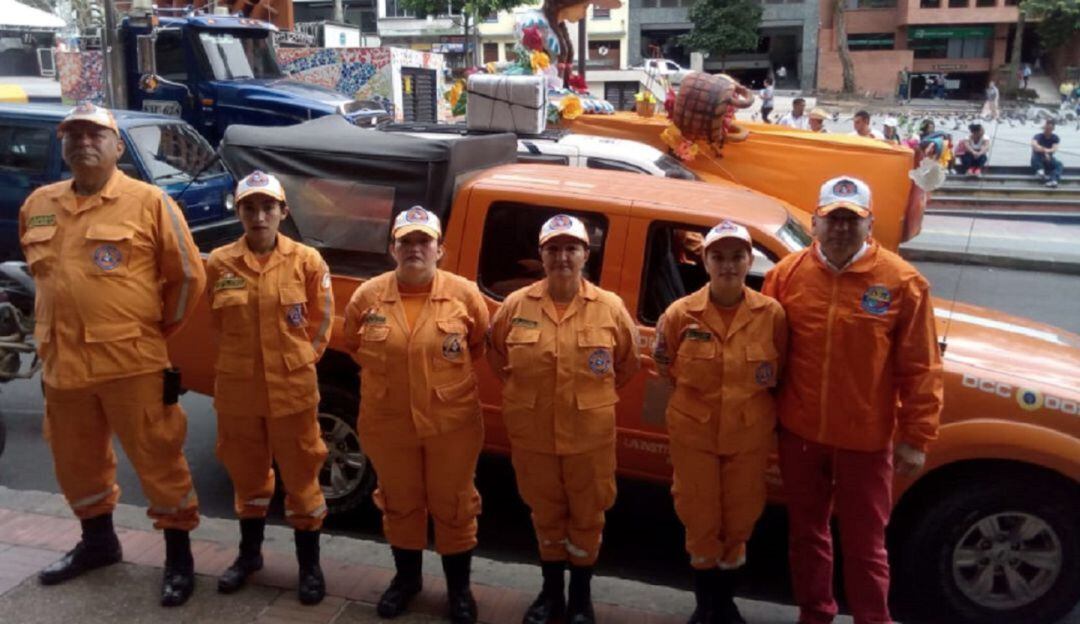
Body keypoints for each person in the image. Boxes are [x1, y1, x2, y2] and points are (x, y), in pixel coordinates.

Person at [18, 103, 205, 606]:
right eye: (74, 135)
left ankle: (180, 558)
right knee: (75, 462)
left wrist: (153, 329)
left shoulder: (150, 202)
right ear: (63, 145)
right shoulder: (38, 203)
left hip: (133, 362)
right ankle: (98, 543)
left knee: (159, 458)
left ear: (118, 147)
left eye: (96, 135)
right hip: (63, 364)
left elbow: (187, 277)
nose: (84, 143)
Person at [762, 176, 944, 624]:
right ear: (815, 222)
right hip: (800, 434)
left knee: (866, 545)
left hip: (866, 441)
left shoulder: (902, 283)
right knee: (807, 536)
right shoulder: (785, 276)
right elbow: (765, 354)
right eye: (832, 219)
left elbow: (921, 367)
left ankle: (872, 618)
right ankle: (815, 614)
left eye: (852, 220)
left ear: (871, 224)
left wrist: (917, 437)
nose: (841, 228)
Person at [487, 214, 641, 624]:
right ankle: (551, 594)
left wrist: (587, 399)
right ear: (540, 255)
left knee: (588, 516)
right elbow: (498, 358)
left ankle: (581, 600)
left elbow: (626, 364)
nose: (562, 257)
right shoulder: (516, 307)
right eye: (553, 249)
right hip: (533, 436)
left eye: (571, 248)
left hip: (588, 438)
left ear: (585, 255)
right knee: (546, 515)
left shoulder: (609, 308)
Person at [343, 206, 489, 623]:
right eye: (405, 241)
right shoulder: (367, 297)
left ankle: (459, 591)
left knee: (454, 504)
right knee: (400, 502)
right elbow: (354, 345)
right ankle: (407, 582)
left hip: (452, 425)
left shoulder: (463, 295)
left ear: (440, 249)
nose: (414, 249)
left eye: (423, 241)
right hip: (388, 424)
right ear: (392, 248)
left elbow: (477, 345)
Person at [206, 171, 334, 604]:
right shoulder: (219, 263)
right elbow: (212, 324)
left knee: (301, 478)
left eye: (267, 208)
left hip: (293, 392)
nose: (258, 216)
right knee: (246, 475)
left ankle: (310, 567)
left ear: (283, 212)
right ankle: (249, 556)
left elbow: (322, 321)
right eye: (249, 208)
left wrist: (299, 363)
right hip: (239, 394)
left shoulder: (306, 261)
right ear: (238, 211)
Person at [653, 221, 787, 624]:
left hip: (748, 436)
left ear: (749, 261)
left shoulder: (772, 315)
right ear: (705, 260)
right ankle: (704, 604)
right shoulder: (680, 314)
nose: (728, 266)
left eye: (736, 257)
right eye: (718, 257)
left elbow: (781, 369)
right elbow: (665, 364)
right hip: (695, 434)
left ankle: (725, 603)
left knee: (740, 517)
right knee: (700, 516)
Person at [1031, 119, 1064, 188]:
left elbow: (1054, 149)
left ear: (1053, 129)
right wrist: (1046, 151)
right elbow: (1034, 146)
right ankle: (1040, 171)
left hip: (1049, 158)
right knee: (1035, 157)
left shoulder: (1055, 137)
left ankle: (1053, 180)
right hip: (1038, 158)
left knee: (1059, 164)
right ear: (1044, 128)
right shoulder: (1038, 136)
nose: (1048, 130)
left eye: (1050, 128)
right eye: (1046, 128)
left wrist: (1044, 150)